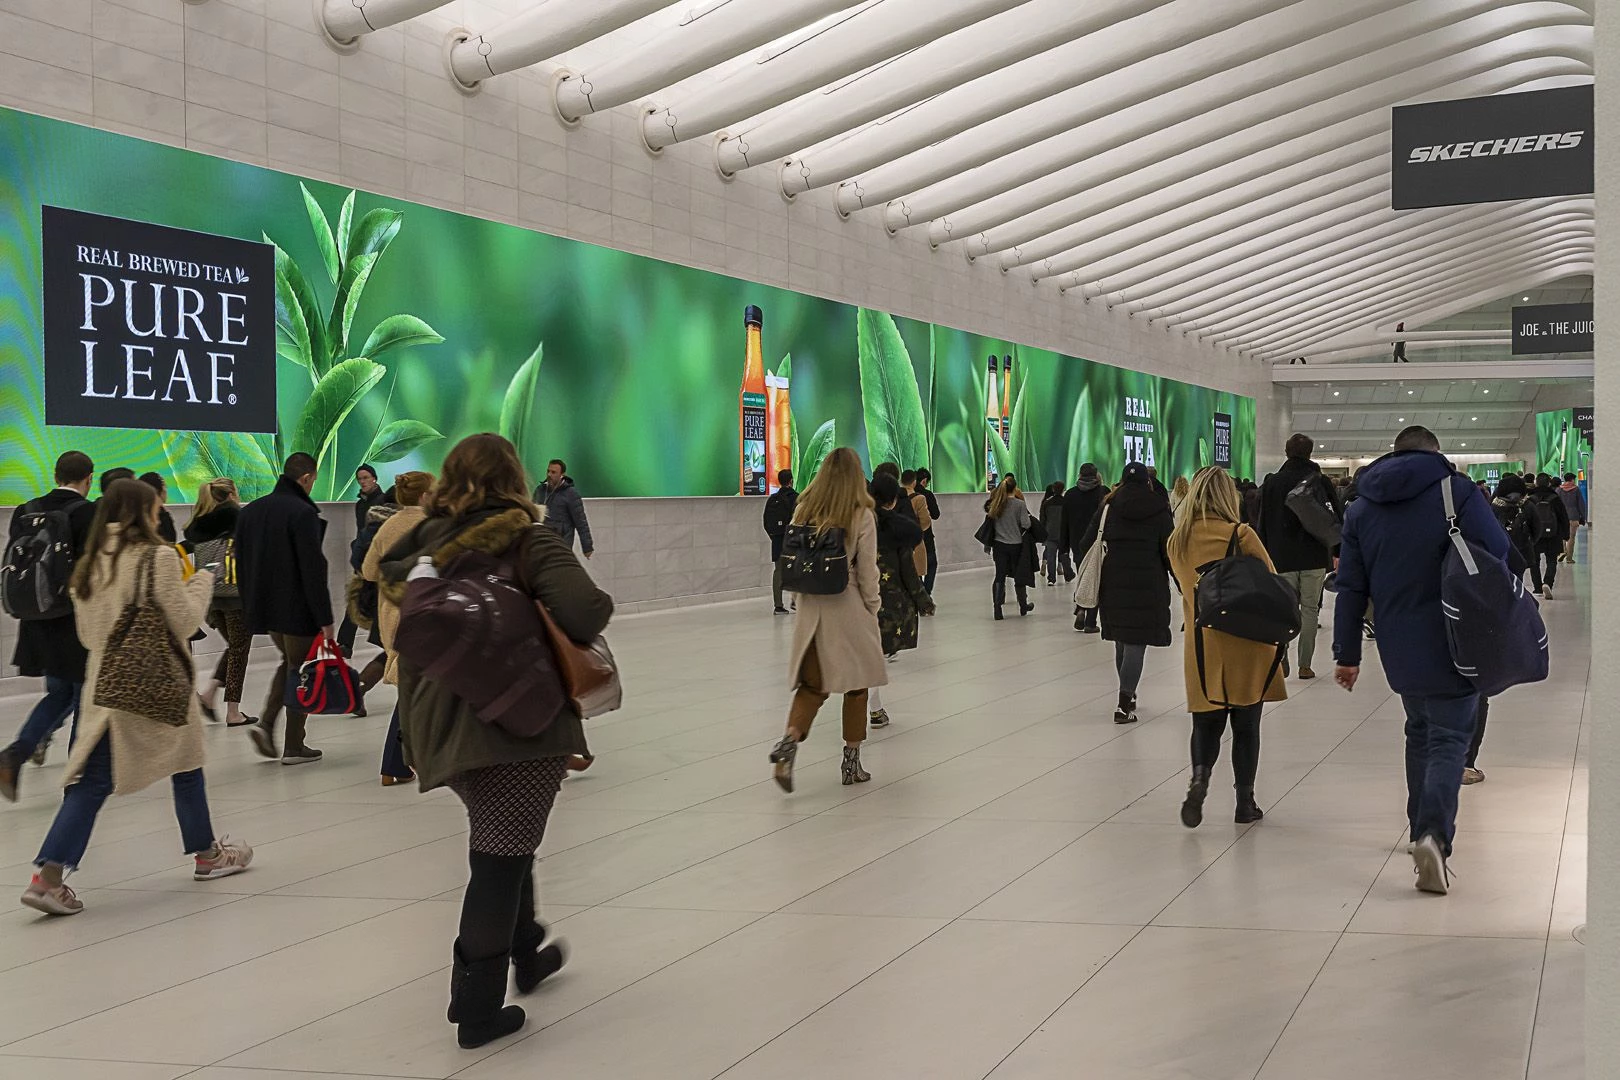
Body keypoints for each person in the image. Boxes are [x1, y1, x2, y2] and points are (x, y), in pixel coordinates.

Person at [378, 434, 612, 1048]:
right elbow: (587, 611)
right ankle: (476, 1009)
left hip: (434, 719)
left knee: (505, 834)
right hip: (514, 718)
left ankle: (526, 950)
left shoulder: (420, 542)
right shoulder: (526, 537)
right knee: (498, 859)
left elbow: (384, 610)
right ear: (513, 478)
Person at [20, 479, 252, 916]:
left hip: (107, 685)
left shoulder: (89, 563)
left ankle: (49, 877)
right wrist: (203, 580)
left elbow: (88, 635)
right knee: (185, 765)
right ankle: (206, 856)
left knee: (93, 781)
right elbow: (185, 622)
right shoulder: (156, 557)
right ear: (143, 513)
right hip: (156, 684)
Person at [1332, 426, 1510, 895]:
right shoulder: (1457, 491)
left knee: (1419, 730)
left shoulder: (1361, 506)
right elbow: (1498, 549)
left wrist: (1346, 653)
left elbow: (1350, 587)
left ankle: (1418, 830)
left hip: (1397, 642)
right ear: (1436, 453)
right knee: (1450, 737)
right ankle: (1433, 835)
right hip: (1457, 635)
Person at [1168, 468, 1288, 826]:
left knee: (1205, 722)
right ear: (1227, 496)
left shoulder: (1177, 540)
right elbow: (1271, 582)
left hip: (1202, 644)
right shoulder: (1241, 534)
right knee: (1247, 725)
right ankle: (1244, 803)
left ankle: (1200, 778)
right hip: (1246, 639)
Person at [768, 448, 886, 791]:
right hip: (847, 606)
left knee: (812, 685)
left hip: (810, 608)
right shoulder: (861, 513)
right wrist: (873, 606)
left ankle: (789, 742)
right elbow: (867, 571)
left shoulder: (803, 509)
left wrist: (797, 600)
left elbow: (794, 557)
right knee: (857, 685)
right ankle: (851, 762)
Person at [0, 451, 98, 800]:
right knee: (83, 697)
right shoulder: (87, 512)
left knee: (58, 693)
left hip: (36, 619)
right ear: (89, 478)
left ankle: (16, 754)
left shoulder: (26, 510)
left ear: (56, 475)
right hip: (75, 620)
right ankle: (77, 777)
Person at [233, 452, 335, 765]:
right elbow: (312, 569)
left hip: (266, 608)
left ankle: (271, 729)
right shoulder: (302, 512)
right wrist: (325, 618)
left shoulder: (251, 511)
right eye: (313, 480)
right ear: (305, 478)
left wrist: (250, 605)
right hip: (298, 607)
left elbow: (240, 563)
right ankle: (290, 743)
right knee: (301, 670)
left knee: (291, 664)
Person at [1082, 462, 1173, 723]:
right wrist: (1182, 583)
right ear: (1148, 482)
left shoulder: (1108, 507)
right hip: (1148, 585)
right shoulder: (1159, 509)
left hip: (1113, 583)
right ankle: (1124, 703)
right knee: (1136, 643)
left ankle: (1128, 694)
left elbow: (1086, 542)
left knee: (1121, 640)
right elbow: (1169, 550)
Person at [361, 471, 433, 785]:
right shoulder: (434, 526)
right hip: (426, 614)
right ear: (425, 495)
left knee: (412, 686)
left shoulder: (389, 525)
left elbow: (368, 571)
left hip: (392, 615)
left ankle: (398, 764)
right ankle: (396, 762)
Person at [1256, 434, 1341, 680]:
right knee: (1310, 609)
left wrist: (1263, 553)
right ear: (1310, 453)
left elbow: (1263, 521)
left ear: (1286, 452)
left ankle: (1282, 656)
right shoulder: (1320, 481)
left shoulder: (1272, 482)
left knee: (1284, 608)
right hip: (1314, 555)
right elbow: (1336, 518)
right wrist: (1337, 551)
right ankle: (1305, 664)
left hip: (1281, 556)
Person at [186, 478, 256, 729]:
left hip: (211, 596)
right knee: (239, 650)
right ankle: (232, 711)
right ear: (231, 494)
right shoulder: (236, 517)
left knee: (235, 646)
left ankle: (209, 694)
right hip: (236, 594)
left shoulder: (200, 523)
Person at [335, 464, 390, 656]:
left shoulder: (383, 501)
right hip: (364, 557)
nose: (363, 481)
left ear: (374, 478)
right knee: (357, 598)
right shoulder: (361, 504)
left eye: (366, 477)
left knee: (374, 600)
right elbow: (362, 532)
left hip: (377, 558)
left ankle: (385, 643)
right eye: (360, 479)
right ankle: (345, 643)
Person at [1061, 463, 1107, 632]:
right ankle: (1090, 621)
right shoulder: (1103, 492)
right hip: (1098, 543)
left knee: (1083, 577)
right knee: (1096, 580)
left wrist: (1063, 548)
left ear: (1080, 475)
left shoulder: (1070, 495)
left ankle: (1080, 607)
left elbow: (1064, 524)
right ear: (1096, 475)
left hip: (1077, 544)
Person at [984, 474, 1035, 619]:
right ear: (1015, 488)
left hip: (999, 546)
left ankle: (997, 608)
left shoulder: (996, 504)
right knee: (1019, 575)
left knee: (1000, 575)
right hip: (1016, 545)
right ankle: (1023, 605)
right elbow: (1026, 524)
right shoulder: (1019, 504)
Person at [532, 459, 593, 559]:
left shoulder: (570, 494)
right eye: (548, 471)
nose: (549, 475)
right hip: (542, 541)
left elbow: (581, 521)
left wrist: (587, 547)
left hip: (562, 542)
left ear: (562, 475)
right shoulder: (540, 490)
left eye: (553, 472)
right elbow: (532, 514)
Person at [1527, 473, 1571, 599]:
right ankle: (1547, 583)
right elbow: (1563, 517)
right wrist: (1566, 535)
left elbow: (1526, 518)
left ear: (1536, 483)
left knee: (1534, 561)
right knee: (1551, 560)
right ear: (1549, 483)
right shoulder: (1555, 498)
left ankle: (1537, 587)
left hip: (1535, 535)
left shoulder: (1531, 499)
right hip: (1553, 534)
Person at [763, 469, 798, 614]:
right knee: (797, 569)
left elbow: (766, 522)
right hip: (793, 539)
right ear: (791, 481)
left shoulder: (773, 499)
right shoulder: (796, 498)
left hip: (777, 539)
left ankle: (778, 605)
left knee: (778, 571)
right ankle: (796, 601)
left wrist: (775, 537)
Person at [900, 470, 933, 582]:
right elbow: (925, 521)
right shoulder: (919, 499)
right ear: (914, 482)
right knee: (916, 578)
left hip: (898, 542)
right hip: (914, 542)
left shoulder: (895, 497)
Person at [914, 468, 943, 592]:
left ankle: (919, 591)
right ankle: (927, 592)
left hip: (911, 537)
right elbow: (936, 514)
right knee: (931, 564)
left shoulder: (906, 495)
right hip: (926, 536)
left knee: (915, 566)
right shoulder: (927, 495)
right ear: (924, 481)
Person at [1038, 483, 1073, 585]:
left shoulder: (1047, 503)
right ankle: (1068, 575)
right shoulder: (1067, 503)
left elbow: (1042, 519)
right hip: (1063, 534)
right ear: (1063, 490)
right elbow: (1070, 519)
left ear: (1053, 489)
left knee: (1051, 557)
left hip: (1050, 533)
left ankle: (1051, 579)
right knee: (1064, 555)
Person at [138, 472, 178, 543]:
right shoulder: (159, 515)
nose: (166, 490)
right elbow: (169, 539)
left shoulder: (137, 512)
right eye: (165, 487)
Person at [1557, 473, 1587, 563]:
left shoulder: (1559, 490)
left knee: (1562, 536)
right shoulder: (1576, 489)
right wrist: (1583, 516)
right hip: (1573, 516)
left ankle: (1563, 551)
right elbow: (1581, 504)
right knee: (1571, 537)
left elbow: (1556, 504)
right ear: (1572, 479)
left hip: (1561, 517)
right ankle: (1569, 558)